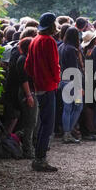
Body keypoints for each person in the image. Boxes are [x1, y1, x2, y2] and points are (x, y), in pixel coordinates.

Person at [25, 12, 61, 172]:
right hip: (48, 87)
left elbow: (27, 66)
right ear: (52, 25)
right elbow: (54, 64)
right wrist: (56, 80)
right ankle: (40, 159)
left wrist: (36, 79)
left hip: (38, 86)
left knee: (42, 123)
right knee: (48, 124)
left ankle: (38, 157)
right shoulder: (49, 41)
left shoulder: (34, 41)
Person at [58, 27, 85, 144]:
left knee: (67, 108)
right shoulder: (72, 50)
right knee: (78, 107)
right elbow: (75, 69)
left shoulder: (61, 47)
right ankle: (68, 132)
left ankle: (66, 133)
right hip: (73, 82)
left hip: (63, 81)